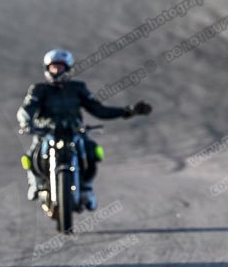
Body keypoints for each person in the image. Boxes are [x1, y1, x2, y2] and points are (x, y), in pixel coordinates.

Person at [17, 49, 152, 210]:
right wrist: (26, 123)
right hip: (47, 132)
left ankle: (87, 188)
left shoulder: (78, 88)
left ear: (68, 68)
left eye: (60, 67)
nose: (56, 71)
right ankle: (36, 184)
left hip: (73, 131)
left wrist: (129, 111)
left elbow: (99, 110)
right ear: (47, 69)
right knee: (31, 155)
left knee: (92, 151)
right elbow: (26, 109)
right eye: (53, 67)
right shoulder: (38, 89)